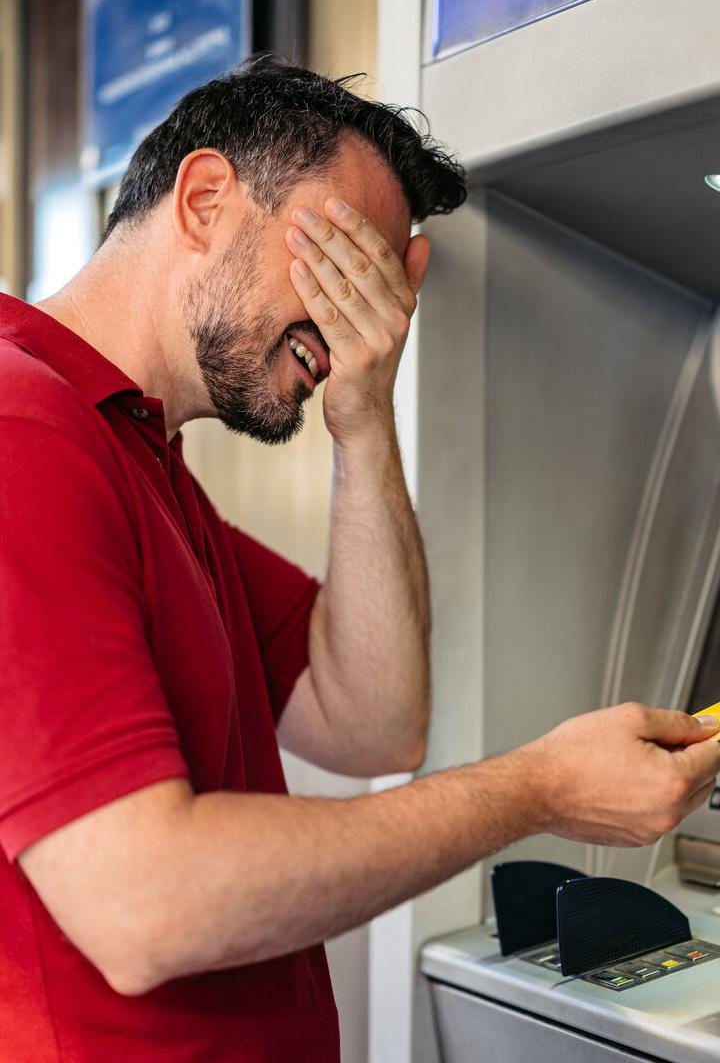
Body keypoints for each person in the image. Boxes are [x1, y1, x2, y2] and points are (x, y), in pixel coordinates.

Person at [0, 55, 718, 1063]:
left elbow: (373, 725)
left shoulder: (140, 459)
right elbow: (142, 905)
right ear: (206, 199)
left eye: (377, 290)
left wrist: (364, 418)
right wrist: (538, 789)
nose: (349, 328)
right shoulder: (22, 429)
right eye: (340, 265)